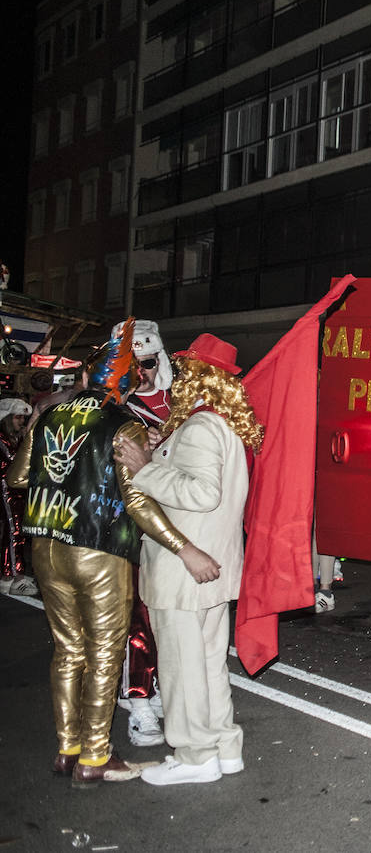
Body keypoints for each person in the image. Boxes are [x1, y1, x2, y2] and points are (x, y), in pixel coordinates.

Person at [7, 337, 193, 787]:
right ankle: (96, 755)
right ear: (130, 385)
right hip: (99, 547)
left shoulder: (50, 415)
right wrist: (183, 546)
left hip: (48, 547)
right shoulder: (123, 424)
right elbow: (138, 502)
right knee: (105, 653)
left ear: (88, 377)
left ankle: (67, 749)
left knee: (68, 651)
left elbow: (17, 477)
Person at [114, 334, 261, 786]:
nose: (175, 377)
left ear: (196, 376)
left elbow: (201, 493)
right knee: (210, 663)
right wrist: (164, 449)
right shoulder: (221, 425)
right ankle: (223, 746)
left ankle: (194, 755)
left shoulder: (199, 428)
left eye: (183, 369)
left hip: (183, 571)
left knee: (182, 668)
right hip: (212, 569)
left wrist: (147, 468)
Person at [115, 319, 172, 749]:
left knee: (172, 614)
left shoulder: (183, 403)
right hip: (132, 521)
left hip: (181, 517)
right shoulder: (115, 407)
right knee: (140, 614)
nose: (144, 372)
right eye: (135, 364)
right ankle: (138, 701)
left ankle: (166, 688)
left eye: (149, 362)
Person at [0, 397, 35, 597]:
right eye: (18, 418)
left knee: (17, 532)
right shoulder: (3, 438)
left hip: (16, 489)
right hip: (6, 488)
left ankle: (14, 572)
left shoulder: (15, 437)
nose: (21, 421)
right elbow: (15, 460)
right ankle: (11, 576)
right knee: (13, 532)